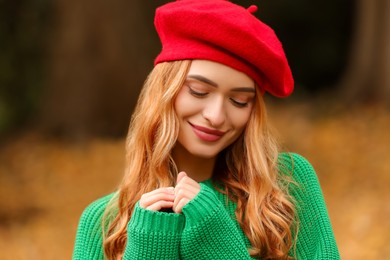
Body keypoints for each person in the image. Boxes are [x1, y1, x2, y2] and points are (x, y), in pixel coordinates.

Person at [73, 0, 340, 259]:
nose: (216, 116)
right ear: (164, 92)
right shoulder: (102, 222)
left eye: (239, 101)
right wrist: (147, 247)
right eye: (199, 92)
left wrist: (219, 244)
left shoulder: (287, 186)